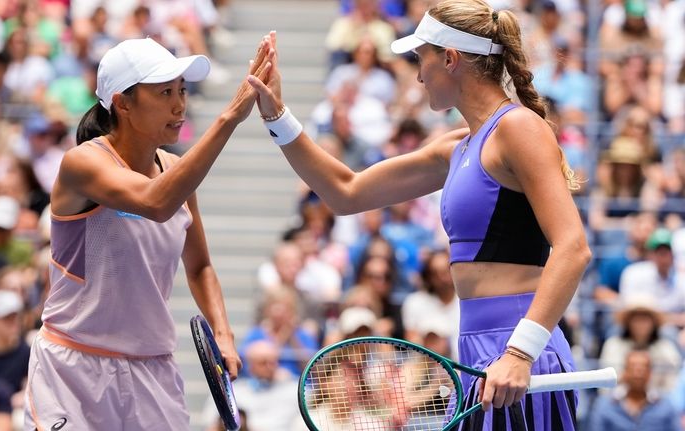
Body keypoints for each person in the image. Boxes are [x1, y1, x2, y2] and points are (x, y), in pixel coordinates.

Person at [247, 1, 592, 428]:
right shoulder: (458, 145)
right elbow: (345, 192)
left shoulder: (518, 129)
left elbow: (573, 247)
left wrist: (521, 352)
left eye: (421, 58)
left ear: (450, 59)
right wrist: (276, 115)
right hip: (478, 355)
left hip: (519, 354)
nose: (417, 74)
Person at [23, 36, 273, 430]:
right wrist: (228, 118)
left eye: (182, 91)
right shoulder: (83, 163)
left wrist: (223, 335)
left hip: (152, 371)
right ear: (123, 103)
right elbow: (156, 203)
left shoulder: (176, 172)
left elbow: (201, 266)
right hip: (74, 368)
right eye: (164, 93)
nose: (179, 105)